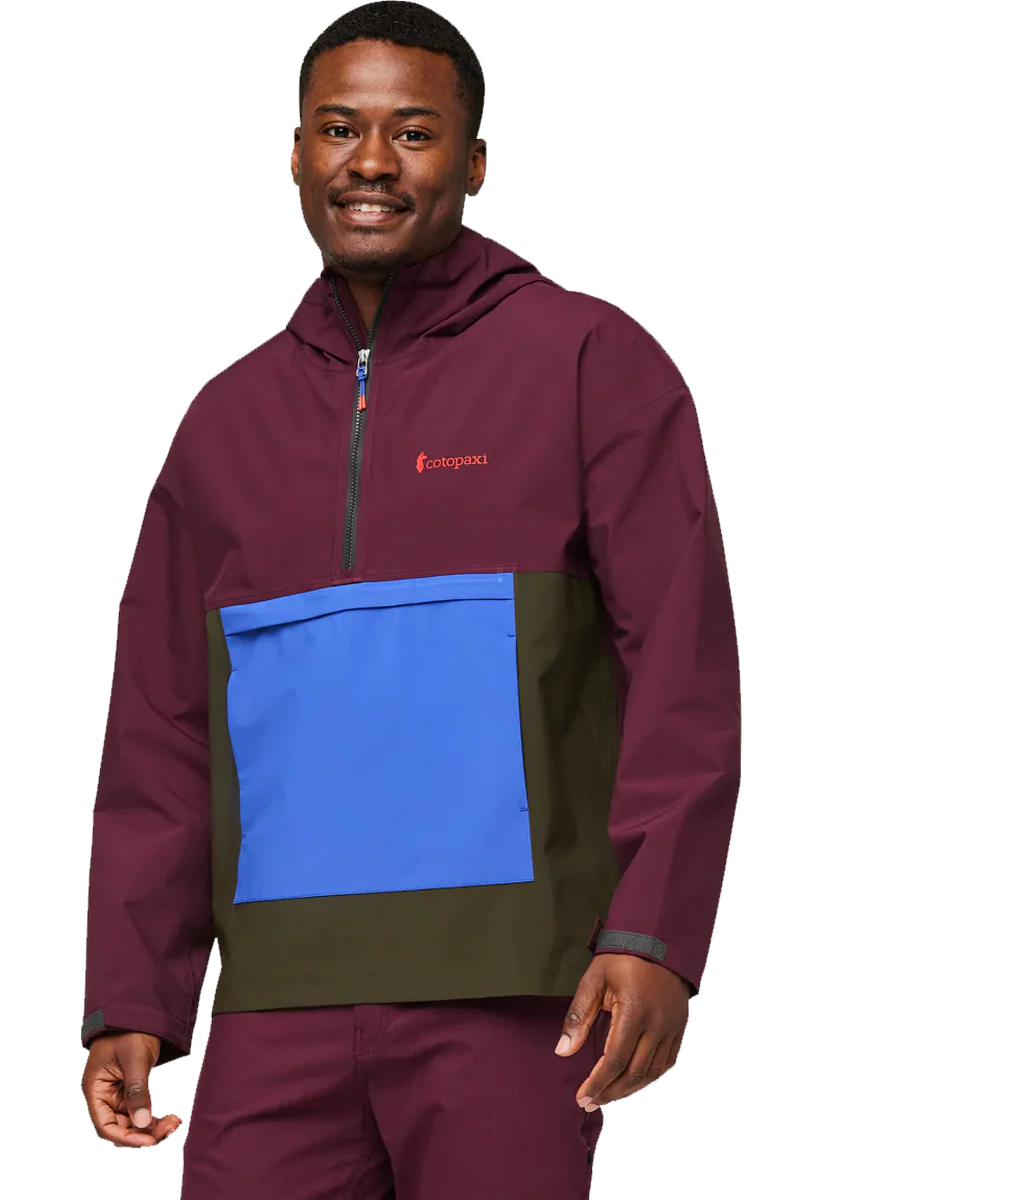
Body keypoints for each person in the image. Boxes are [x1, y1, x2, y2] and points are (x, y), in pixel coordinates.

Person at [79, 2, 741, 1197]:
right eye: (340, 129)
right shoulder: (224, 419)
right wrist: (134, 993)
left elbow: (681, 672)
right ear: (294, 153)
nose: (372, 162)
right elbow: (163, 728)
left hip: (513, 988)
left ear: (474, 162)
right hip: (278, 995)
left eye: (414, 132)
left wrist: (654, 933)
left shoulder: (590, 364)